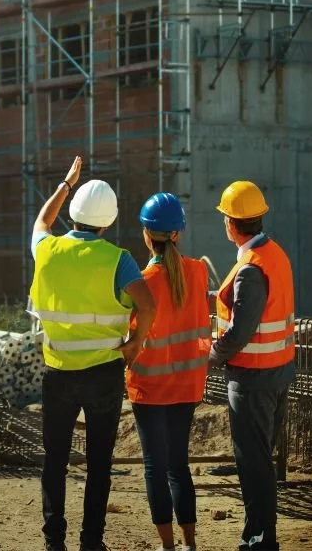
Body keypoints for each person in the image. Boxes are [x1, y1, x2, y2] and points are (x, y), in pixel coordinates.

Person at [30, 156, 157, 551]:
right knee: (99, 464)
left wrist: (65, 185)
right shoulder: (118, 259)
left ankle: (54, 541)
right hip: (104, 373)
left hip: (58, 373)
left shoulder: (47, 249)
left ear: (73, 214)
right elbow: (148, 306)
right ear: (109, 222)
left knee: (54, 460)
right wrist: (136, 344)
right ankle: (91, 542)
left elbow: (41, 222)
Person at [208, 181, 295, 551]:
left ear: (230, 223)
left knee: (254, 462)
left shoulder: (250, 268)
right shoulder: (274, 254)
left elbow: (239, 333)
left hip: (252, 379)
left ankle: (260, 539)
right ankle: (259, 536)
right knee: (261, 458)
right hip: (275, 373)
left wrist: (209, 358)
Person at [126, 193, 210, 551]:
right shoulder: (199, 271)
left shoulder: (142, 282)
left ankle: (167, 546)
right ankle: (190, 544)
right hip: (186, 386)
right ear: (178, 233)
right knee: (179, 465)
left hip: (149, 388)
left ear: (147, 234)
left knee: (154, 467)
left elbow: (131, 334)